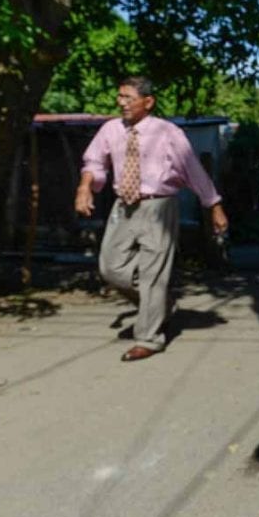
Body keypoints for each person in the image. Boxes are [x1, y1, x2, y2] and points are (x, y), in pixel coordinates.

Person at [74, 76, 229, 362]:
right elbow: (94, 161)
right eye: (119, 97)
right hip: (124, 206)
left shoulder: (168, 132)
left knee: (153, 275)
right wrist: (85, 188)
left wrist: (214, 205)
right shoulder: (111, 129)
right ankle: (162, 305)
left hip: (159, 206)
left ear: (148, 102)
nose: (122, 103)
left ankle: (149, 338)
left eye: (128, 98)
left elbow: (193, 170)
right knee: (111, 268)